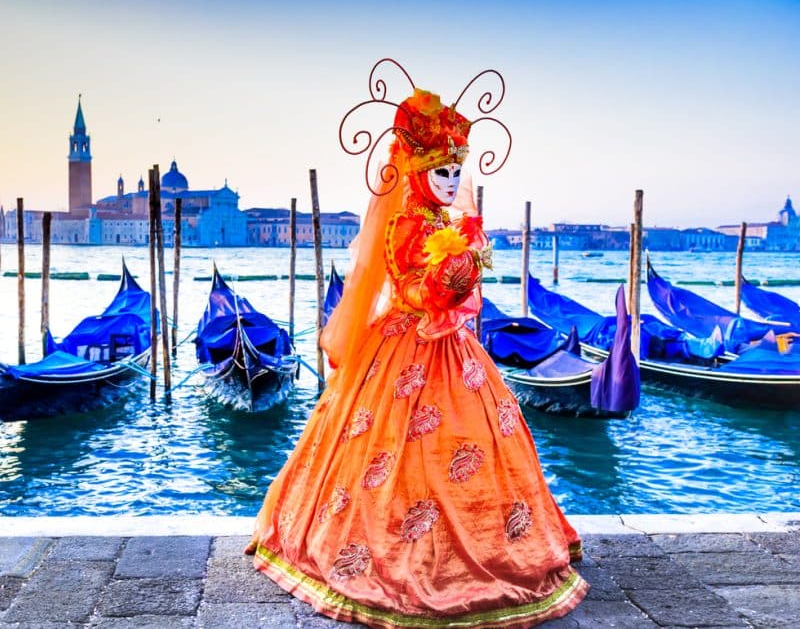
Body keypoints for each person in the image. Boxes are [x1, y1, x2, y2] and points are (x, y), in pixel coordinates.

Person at [246, 84, 588, 628]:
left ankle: (470, 537)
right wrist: (459, 272)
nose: (452, 183)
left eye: (457, 173)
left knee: (465, 439)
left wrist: (464, 263)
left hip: (447, 345)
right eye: (441, 173)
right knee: (391, 444)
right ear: (416, 174)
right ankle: (403, 543)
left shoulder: (439, 224)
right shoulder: (409, 224)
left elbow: (447, 289)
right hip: (409, 344)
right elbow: (422, 291)